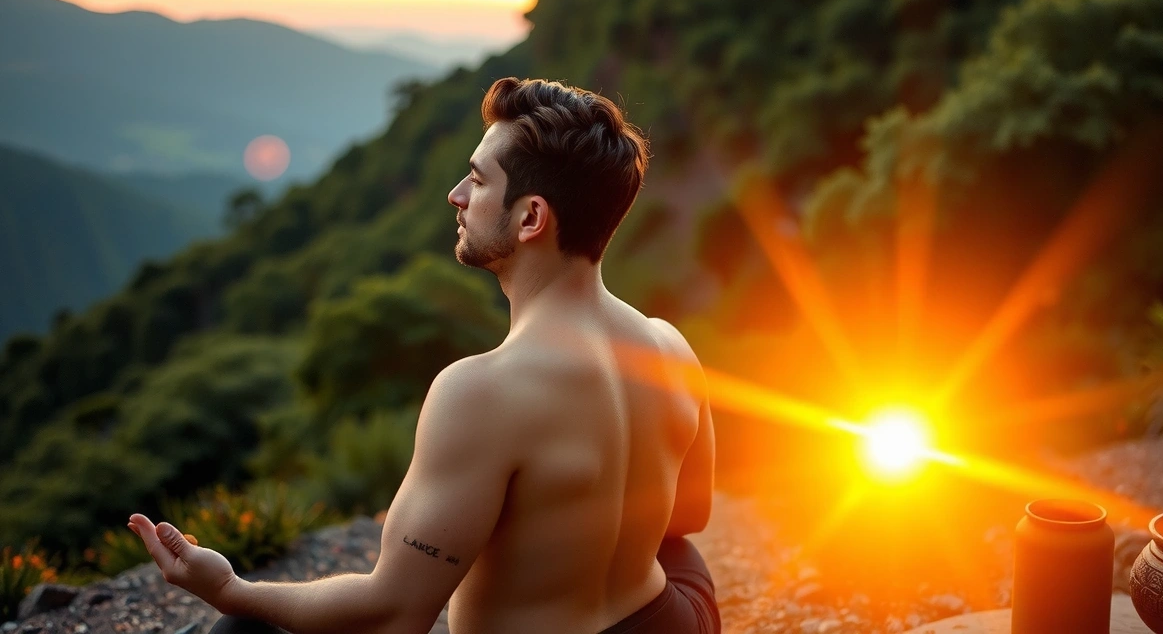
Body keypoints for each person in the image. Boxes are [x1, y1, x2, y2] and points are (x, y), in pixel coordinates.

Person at [127, 77, 720, 634]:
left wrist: (230, 588)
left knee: (242, 628)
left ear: (532, 217)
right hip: (670, 618)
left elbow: (395, 613)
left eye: (478, 181)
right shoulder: (669, 345)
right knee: (671, 549)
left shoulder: (481, 390)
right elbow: (688, 516)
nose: (455, 196)